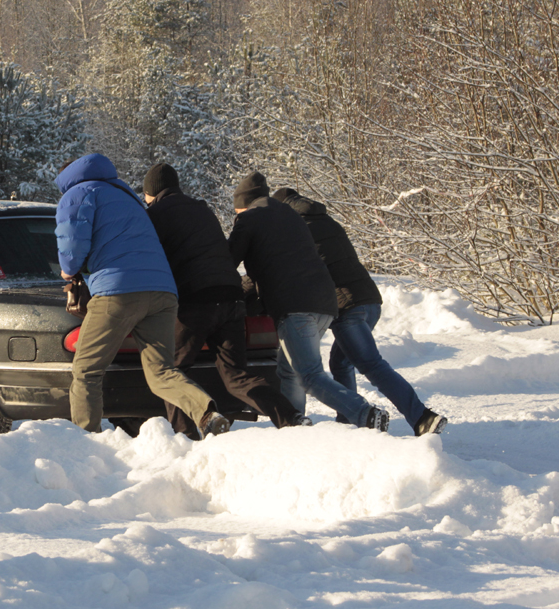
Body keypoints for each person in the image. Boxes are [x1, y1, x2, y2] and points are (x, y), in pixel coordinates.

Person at [55, 153, 230, 437]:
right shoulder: (125, 194)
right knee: (161, 372)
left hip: (117, 291)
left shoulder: (76, 194)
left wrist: (68, 270)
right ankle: (206, 413)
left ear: (66, 177)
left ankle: (85, 442)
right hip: (162, 291)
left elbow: (72, 243)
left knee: (86, 371)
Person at [141, 163, 310, 435]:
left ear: (152, 191)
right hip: (231, 297)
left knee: (172, 370)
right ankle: (291, 417)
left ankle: (187, 436)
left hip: (195, 300)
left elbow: (149, 257)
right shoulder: (201, 208)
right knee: (235, 376)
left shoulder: (155, 214)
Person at [273, 188, 447, 436]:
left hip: (347, 305)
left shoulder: (298, 230)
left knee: (371, 365)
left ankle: (421, 416)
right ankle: (349, 420)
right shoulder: (327, 220)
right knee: (341, 362)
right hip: (369, 300)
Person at [228, 171, 389, 430]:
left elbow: (228, 264)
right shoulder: (290, 216)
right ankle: (294, 426)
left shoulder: (249, 219)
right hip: (325, 302)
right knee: (289, 371)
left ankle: (365, 414)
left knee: (310, 375)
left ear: (242, 205)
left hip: (296, 307)